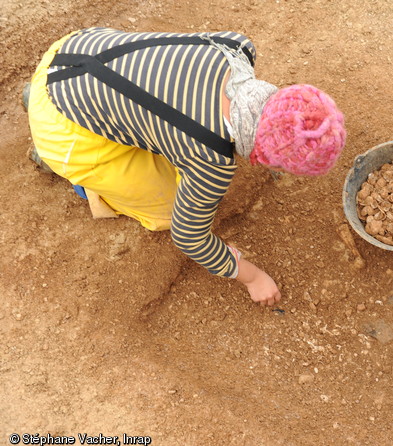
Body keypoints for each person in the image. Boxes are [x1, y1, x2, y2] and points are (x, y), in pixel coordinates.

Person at [25, 27, 346, 307]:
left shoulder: (237, 48)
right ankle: (54, 158)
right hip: (60, 126)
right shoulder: (212, 162)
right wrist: (252, 277)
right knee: (167, 208)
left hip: (73, 50)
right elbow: (189, 237)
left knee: (160, 121)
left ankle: (34, 95)